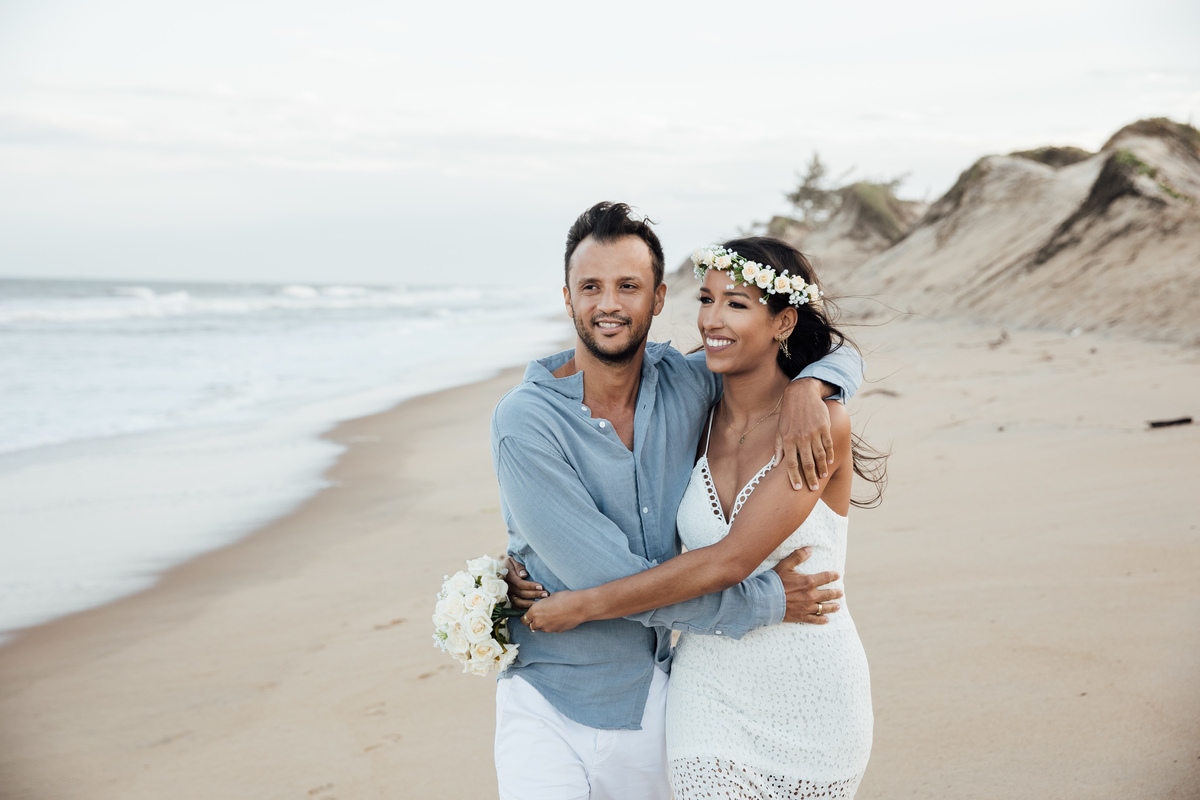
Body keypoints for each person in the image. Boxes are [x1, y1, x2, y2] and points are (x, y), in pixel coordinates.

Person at [490, 203, 863, 800]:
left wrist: (811, 385)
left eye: (628, 286)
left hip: (663, 696)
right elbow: (605, 576)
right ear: (567, 298)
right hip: (554, 695)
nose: (608, 304)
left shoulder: (690, 385)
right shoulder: (526, 421)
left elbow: (817, 347)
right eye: (591, 286)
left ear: (658, 298)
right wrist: (764, 601)